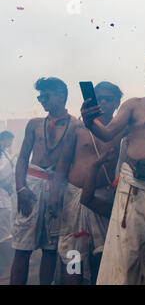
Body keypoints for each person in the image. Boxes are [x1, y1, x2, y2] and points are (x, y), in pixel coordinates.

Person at [80, 56, 145, 284]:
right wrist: (89, 121)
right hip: (135, 186)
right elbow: (108, 133)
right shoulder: (135, 104)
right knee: (126, 253)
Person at [52, 82, 123, 284]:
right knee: (74, 254)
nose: (102, 103)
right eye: (97, 98)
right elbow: (64, 161)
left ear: (117, 103)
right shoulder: (77, 127)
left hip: (103, 197)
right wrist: (55, 194)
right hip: (75, 196)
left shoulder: (122, 129)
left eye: (107, 99)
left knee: (104, 253)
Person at [10, 77, 79, 285]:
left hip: (58, 188)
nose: (41, 100)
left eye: (45, 95)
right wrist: (21, 189)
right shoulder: (34, 124)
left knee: (50, 250)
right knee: (22, 248)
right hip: (31, 186)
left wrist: (58, 194)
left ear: (61, 95)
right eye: (39, 96)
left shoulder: (76, 125)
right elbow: (22, 158)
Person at [0, 131, 15, 281]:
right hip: (1, 201)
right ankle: (10, 265)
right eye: (8, 141)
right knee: (4, 235)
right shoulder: (1, 154)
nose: (9, 144)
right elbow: (3, 175)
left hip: (4, 198)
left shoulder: (4, 153)